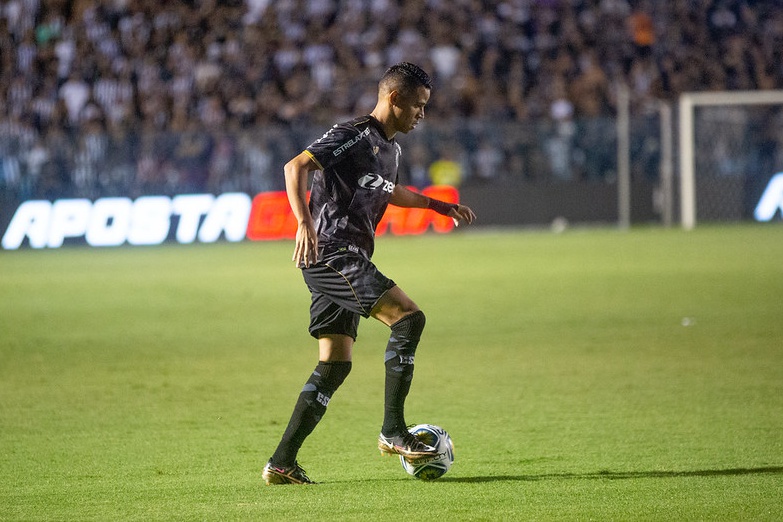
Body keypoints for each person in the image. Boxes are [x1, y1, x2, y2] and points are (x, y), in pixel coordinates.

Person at [263, 62, 476, 485]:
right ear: (394, 98)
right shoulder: (356, 133)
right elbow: (295, 167)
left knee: (335, 364)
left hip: (343, 256)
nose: (421, 114)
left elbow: (390, 191)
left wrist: (439, 206)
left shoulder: (390, 149)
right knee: (409, 318)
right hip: (333, 253)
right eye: (417, 105)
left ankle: (282, 463)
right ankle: (393, 431)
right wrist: (303, 221)